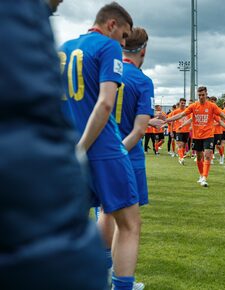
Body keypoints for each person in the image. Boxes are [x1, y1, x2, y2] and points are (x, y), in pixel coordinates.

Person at [0, 1, 108, 289]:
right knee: (118, 214)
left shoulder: (67, 45)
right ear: (113, 27)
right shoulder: (20, 14)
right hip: (48, 180)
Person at [59, 3, 142, 289]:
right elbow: (106, 102)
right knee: (129, 224)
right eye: (123, 35)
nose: (123, 43)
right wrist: (83, 146)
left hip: (68, 151)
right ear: (111, 25)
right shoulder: (107, 47)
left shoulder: (63, 47)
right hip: (103, 149)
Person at [114, 27, 161, 289]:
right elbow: (139, 129)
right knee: (128, 225)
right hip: (126, 156)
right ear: (143, 49)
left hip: (98, 154)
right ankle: (121, 284)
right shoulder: (142, 80)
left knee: (105, 215)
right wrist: (117, 154)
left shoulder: (104, 70)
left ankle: (105, 274)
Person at [165, 87, 225, 187]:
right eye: (199, 95)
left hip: (208, 135)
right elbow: (181, 115)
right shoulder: (193, 106)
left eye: (203, 95)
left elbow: (223, 116)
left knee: (208, 155)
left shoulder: (212, 106)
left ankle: (205, 178)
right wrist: (167, 120)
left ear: (206, 94)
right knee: (199, 156)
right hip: (197, 136)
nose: (201, 97)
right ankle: (201, 175)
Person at [172, 98, 191, 165]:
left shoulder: (187, 111)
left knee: (184, 145)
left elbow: (191, 119)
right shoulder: (176, 111)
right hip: (178, 131)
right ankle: (181, 157)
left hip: (186, 131)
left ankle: (180, 157)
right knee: (180, 145)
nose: (183, 104)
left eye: (184, 103)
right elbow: (172, 121)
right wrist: (171, 131)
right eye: (182, 103)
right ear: (179, 103)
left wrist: (191, 126)